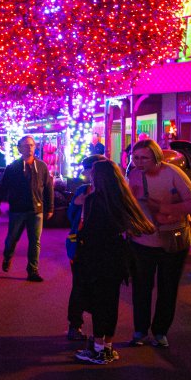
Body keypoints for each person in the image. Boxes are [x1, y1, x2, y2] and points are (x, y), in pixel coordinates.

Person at [73, 159, 157, 365]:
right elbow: (144, 227)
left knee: (97, 302)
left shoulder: (94, 200)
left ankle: (99, 349)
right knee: (110, 302)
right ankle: (106, 346)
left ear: (98, 177)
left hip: (95, 257)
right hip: (116, 258)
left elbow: (88, 231)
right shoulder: (122, 198)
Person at [126, 139, 191, 348]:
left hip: (172, 240)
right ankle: (140, 330)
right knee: (141, 287)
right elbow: (129, 204)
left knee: (168, 288)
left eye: (144, 158)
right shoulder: (133, 174)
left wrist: (165, 209)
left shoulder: (173, 173)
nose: (139, 162)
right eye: (135, 158)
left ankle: (160, 331)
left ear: (156, 158)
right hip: (141, 240)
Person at [0, 136, 54, 282]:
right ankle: (7, 257)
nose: (29, 148)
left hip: (36, 209)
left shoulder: (42, 166)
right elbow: (3, 188)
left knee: (35, 241)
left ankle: (33, 270)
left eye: (32, 145)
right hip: (18, 209)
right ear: (19, 148)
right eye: (26, 145)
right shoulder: (12, 168)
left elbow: (48, 188)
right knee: (12, 239)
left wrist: (50, 207)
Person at [65, 154, 106, 342]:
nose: (85, 173)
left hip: (102, 245)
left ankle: (101, 332)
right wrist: (76, 203)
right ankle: (75, 324)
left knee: (101, 287)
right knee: (79, 285)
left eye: (88, 169)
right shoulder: (83, 189)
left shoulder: (110, 190)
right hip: (80, 243)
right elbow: (71, 215)